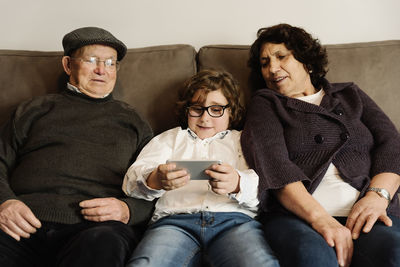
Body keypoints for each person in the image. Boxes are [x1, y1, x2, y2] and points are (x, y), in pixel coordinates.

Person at [241, 23, 400, 267]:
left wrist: (377, 197)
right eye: (264, 63)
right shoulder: (267, 103)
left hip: (367, 209)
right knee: (313, 258)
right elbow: (274, 166)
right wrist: (322, 220)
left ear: (307, 61)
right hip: (298, 217)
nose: (272, 68)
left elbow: (392, 144)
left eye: (281, 57)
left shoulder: (349, 94)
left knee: (394, 252)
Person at [0, 27, 154, 267]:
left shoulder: (133, 122)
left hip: (95, 230)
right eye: (91, 60)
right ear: (68, 65)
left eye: (110, 63)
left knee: (105, 241)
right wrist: (4, 202)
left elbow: (155, 187)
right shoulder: (33, 110)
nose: (102, 70)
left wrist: (127, 209)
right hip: (22, 222)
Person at [123, 69, 279, 267]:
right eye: (197, 108)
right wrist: (154, 179)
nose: (205, 118)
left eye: (216, 110)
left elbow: (268, 187)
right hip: (174, 223)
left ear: (231, 111)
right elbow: (130, 182)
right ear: (186, 109)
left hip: (234, 223)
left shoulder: (243, 141)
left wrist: (238, 183)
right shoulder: (169, 139)